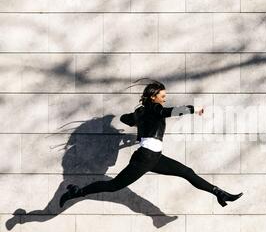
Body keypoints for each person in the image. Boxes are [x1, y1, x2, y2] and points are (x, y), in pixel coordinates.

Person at [59, 80, 243, 208]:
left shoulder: (142, 111)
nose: (164, 98)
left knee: (187, 172)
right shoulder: (156, 109)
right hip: (146, 157)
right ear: (154, 96)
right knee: (114, 185)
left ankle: (219, 193)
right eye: (162, 95)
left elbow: (125, 118)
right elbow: (170, 111)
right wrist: (194, 109)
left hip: (154, 157)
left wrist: (138, 120)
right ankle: (77, 192)